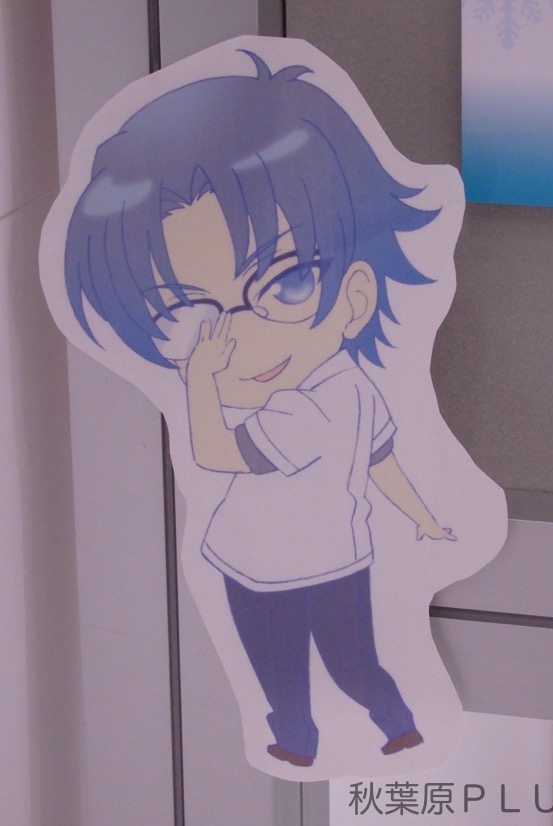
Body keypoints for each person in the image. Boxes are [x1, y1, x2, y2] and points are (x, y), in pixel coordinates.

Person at [65, 50, 455, 767]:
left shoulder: (309, 407)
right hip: (309, 559)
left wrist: (199, 377)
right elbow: (382, 462)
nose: (238, 336)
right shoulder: (356, 385)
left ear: (355, 295)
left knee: (311, 668)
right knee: (326, 667)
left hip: (280, 563)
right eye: (187, 313)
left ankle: (351, 732)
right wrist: (423, 516)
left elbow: (217, 451)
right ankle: (369, 728)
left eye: (287, 281)